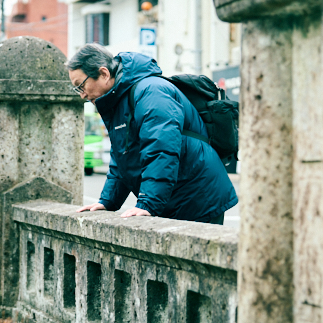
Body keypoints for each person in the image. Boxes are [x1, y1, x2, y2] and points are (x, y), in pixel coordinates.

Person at [68, 44, 237, 224]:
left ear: (104, 74)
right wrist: (108, 201)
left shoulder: (151, 91)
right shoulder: (118, 102)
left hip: (198, 197)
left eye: (81, 86)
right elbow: (122, 158)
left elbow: (161, 149)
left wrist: (148, 203)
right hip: (178, 196)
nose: (82, 95)